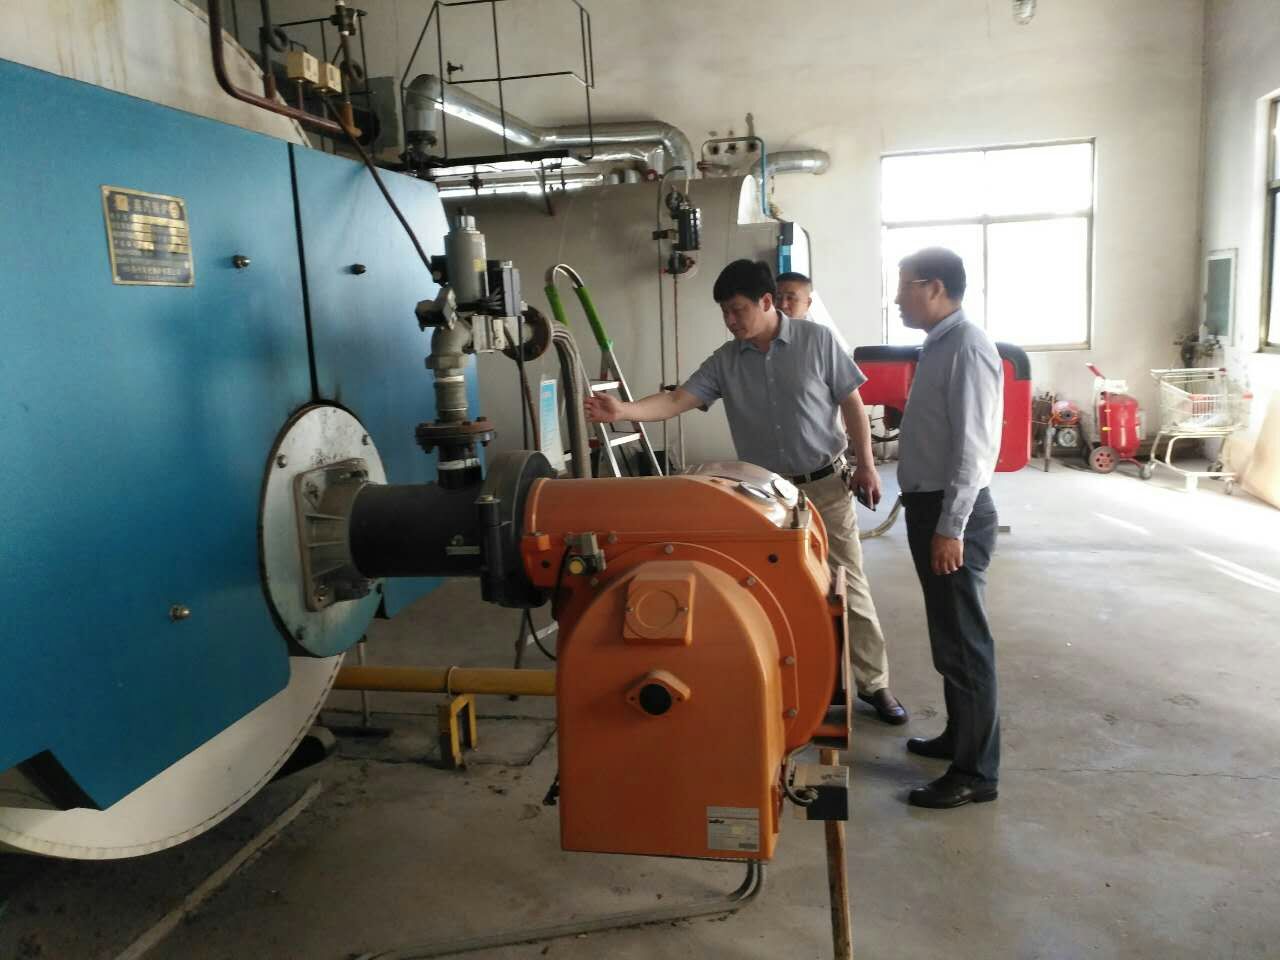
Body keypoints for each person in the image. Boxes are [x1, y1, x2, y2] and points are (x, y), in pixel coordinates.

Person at [584, 259, 907, 724]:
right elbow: (677, 399)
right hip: (765, 496)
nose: (730, 320)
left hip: (825, 485)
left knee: (847, 585)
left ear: (767, 302)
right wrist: (623, 411)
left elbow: (851, 402)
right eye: (724, 313)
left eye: (738, 310)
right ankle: (789, 683)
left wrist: (868, 467)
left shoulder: (817, 341)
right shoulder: (726, 360)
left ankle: (875, 684)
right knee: (776, 589)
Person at [893, 247, 1003, 809]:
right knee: (949, 638)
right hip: (930, 507)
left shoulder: (967, 346)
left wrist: (951, 527)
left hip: (951, 511)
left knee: (964, 643)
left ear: (934, 287)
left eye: (904, 286)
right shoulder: (939, 344)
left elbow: (974, 449)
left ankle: (976, 771)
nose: (897, 298)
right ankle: (961, 738)